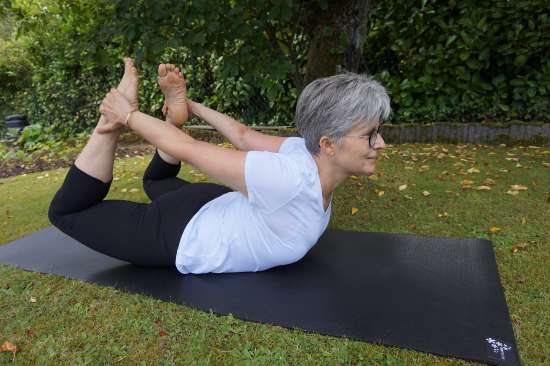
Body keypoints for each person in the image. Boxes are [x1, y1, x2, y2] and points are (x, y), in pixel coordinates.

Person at [48, 57, 390, 274]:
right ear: (328, 144)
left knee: (155, 183)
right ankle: (106, 128)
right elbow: (189, 149)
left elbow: (241, 135)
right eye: (370, 135)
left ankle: (170, 117)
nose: (381, 144)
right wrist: (125, 115)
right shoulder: (289, 180)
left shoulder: (304, 150)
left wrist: (190, 106)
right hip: (180, 234)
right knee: (66, 212)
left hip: (210, 204)